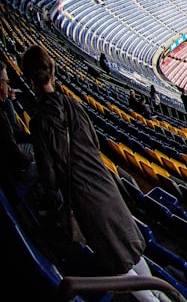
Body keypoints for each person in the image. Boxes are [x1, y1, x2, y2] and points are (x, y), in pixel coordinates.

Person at [23, 44, 162, 299]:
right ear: (52, 71)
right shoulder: (72, 105)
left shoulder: (39, 121)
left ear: (29, 80)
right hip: (105, 184)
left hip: (85, 199)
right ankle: (161, 295)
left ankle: (154, 299)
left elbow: (49, 178)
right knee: (131, 249)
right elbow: (94, 143)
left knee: (117, 263)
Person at [1, 60, 34, 194]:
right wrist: (30, 157)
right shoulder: (1, 117)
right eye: (6, 82)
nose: (9, 88)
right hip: (11, 172)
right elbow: (13, 153)